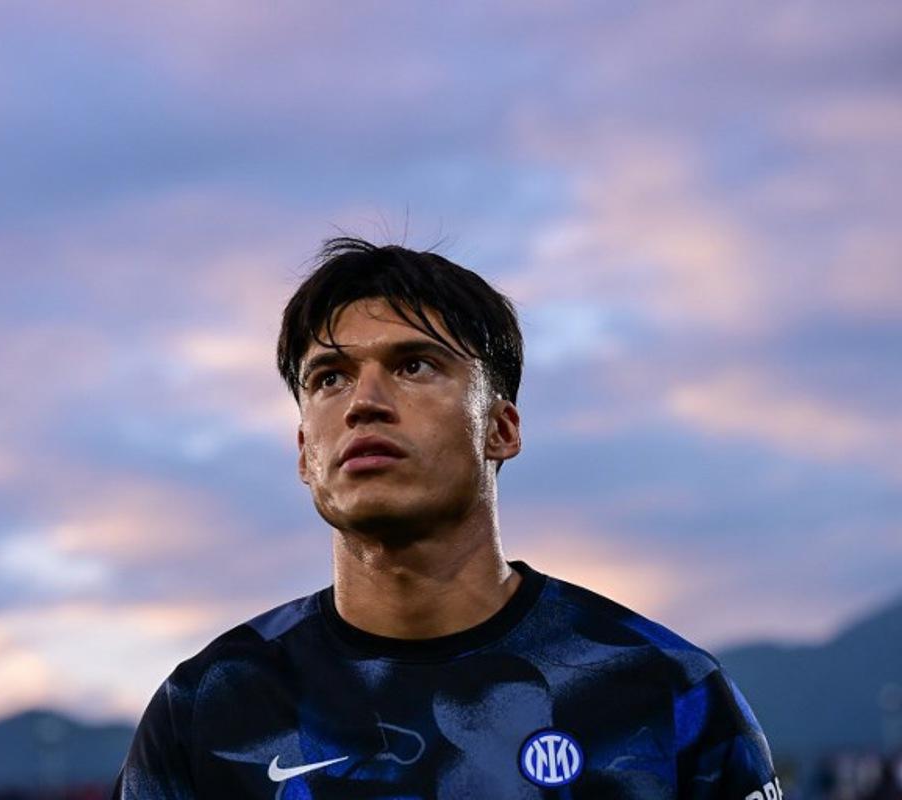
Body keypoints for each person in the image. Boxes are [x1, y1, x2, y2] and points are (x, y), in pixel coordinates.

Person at [111, 237, 780, 799]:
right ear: (304, 452)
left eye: (414, 365)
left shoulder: (664, 691)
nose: (364, 402)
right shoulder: (208, 709)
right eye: (329, 378)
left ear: (501, 429)